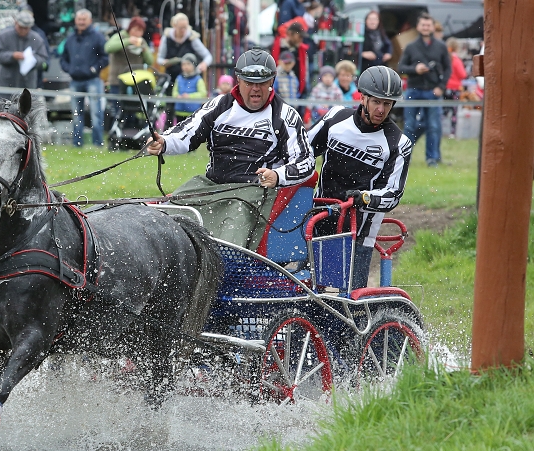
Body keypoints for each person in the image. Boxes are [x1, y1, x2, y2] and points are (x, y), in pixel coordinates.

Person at [146, 48, 315, 250]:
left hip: (253, 192)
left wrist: (277, 176)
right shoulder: (220, 105)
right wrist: (164, 142)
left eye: (261, 83)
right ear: (238, 80)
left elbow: (306, 162)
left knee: (229, 231)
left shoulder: (285, 115)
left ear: (271, 81)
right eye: (249, 82)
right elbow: (187, 132)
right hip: (209, 184)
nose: (255, 89)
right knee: (165, 219)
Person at [307, 67, 412, 289]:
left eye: (387, 103)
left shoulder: (398, 143)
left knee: (349, 301)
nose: (381, 109)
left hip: (360, 230)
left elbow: (393, 194)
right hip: (320, 216)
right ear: (362, 97)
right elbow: (303, 150)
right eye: (376, 102)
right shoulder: (336, 118)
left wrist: (364, 198)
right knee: (313, 290)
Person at [398, 12, 450, 167]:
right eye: (423, 25)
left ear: (433, 27)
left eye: (429, 25)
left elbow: (448, 69)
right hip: (414, 90)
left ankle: (432, 158)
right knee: (409, 126)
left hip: (433, 91)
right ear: (418, 27)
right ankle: (404, 157)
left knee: (433, 126)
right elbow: (401, 67)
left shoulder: (441, 46)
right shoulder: (411, 46)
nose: (426, 27)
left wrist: (441, 87)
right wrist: (415, 69)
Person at [60, 9, 108, 147]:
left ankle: (98, 143)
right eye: (79, 19)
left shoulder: (98, 37)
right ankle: (77, 143)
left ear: (90, 21)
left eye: (84, 19)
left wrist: (94, 69)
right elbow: (63, 58)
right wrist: (69, 69)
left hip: (93, 80)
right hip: (75, 80)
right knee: (76, 115)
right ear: (75, 21)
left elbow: (105, 58)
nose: (81, 22)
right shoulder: (70, 38)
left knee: (96, 113)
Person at [156, 12, 212, 125]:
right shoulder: (166, 38)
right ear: (174, 26)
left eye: (185, 27)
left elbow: (208, 56)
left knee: (190, 107)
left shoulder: (192, 38)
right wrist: (165, 62)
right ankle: (168, 132)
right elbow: (159, 59)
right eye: (181, 27)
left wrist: (203, 64)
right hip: (172, 76)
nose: (183, 30)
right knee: (170, 106)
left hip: (189, 78)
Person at [104, 16, 153, 118]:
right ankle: (117, 131)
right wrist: (128, 41)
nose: (137, 33)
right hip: (117, 81)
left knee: (133, 110)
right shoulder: (120, 36)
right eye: (135, 30)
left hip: (135, 82)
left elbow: (150, 61)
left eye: (140, 31)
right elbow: (108, 48)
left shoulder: (142, 41)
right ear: (130, 28)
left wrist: (144, 50)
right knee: (118, 110)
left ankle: (132, 131)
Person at [0, 11, 48, 89]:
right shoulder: (4, 36)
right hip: (7, 84)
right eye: (21, 27)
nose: (23, 31)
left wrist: (33, 59)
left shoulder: (37, 39)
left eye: (26, 28)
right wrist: (12, 56)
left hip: (28, 84)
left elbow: (43, 59)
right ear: (16, 23)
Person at [271, 21, 309, 97]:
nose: (301, 40)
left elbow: (305, 73)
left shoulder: (301, 51)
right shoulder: (276, 47)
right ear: (290, 33)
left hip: (296, 93)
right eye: (299, 36)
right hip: (278, 92)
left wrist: (302, 91)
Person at [443, 37, 468, 138]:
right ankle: (452, 133)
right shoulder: (456, 60)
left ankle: (441, 130)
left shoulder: (445, 59)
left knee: (443, 111)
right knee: (454, 112)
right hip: (455, 88)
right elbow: (463, 74)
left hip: (445, 87)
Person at [172, 53, 205, 120]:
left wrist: (189, 96)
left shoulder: (198, 79)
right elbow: (174, 91)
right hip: (179, 112)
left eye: (188, 64)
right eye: (183, 64)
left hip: (193, 112)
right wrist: (177, 96)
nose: (185, 66)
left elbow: (202, 94)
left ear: (194, 65)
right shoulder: (179, 78)